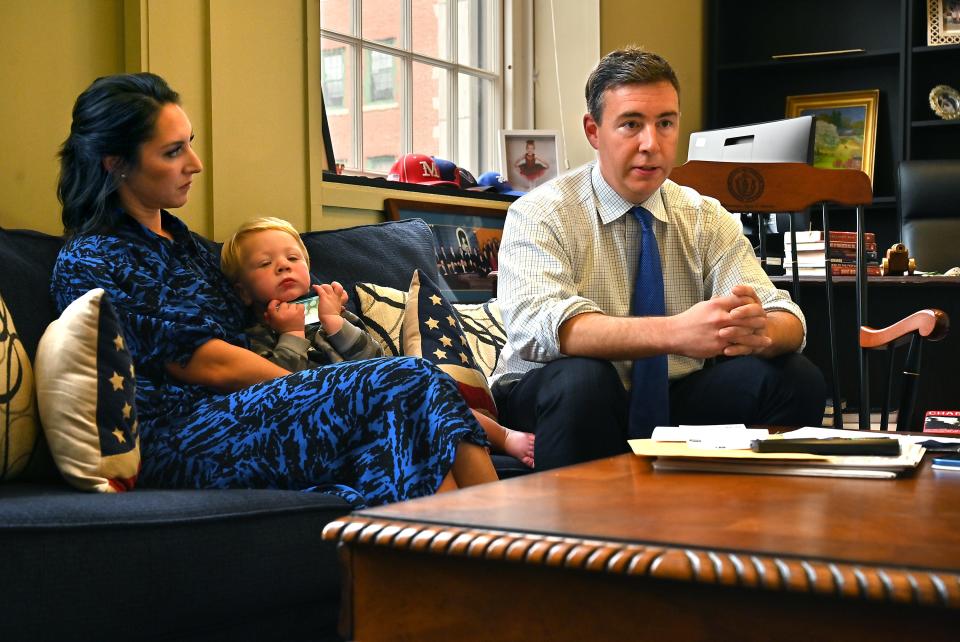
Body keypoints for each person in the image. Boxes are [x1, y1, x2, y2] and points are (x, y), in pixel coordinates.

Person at [52, 72, 498, 506]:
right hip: (182, 435)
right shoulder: (94, 257)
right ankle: (493, 551)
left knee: (413, 396)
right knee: (402, 381)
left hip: (247, 410)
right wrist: (326, 387)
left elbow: (270, 315)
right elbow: (207, 365)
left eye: (191, 142)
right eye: (173, 152)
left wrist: (328, 336)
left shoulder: (188, 247)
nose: (195, 163)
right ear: (116, 164)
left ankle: (489, 553)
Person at [492, 47, 826, 471]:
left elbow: (787, 317)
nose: (651, 144)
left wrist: (760, 332)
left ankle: (743, 527)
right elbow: (546, 328)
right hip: (555, 393)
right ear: (594, 131)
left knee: (794, 377)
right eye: (631, 124)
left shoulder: (705, 217)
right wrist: (676, 333)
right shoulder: (542, 213)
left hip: (672, 393)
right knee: (585, 379)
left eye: (665, 123)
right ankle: (579, 535)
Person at [220, 217, 536, 467]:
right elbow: (277, 390)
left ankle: (504, 436)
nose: (283, 265)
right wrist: (291, 334)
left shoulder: (330, 312)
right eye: (265, 264)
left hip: (378, 396)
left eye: (292, 258)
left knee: (434, 393)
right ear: (243, 292)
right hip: (339, 416)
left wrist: (335, 323)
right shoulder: (255, 338)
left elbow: (373, 357)